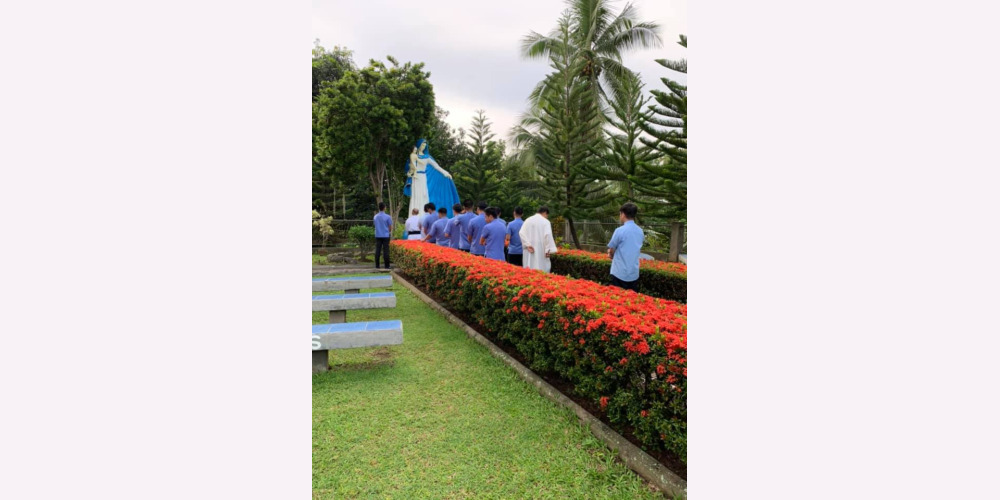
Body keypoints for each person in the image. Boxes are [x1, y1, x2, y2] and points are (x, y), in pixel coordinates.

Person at [403, 139, 461, 217]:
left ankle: (424, 216)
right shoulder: (413, 156)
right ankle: (413, 217)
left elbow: (436, 166)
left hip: (422, 178)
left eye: (425, 145)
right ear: (418, 145)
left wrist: (446, 173)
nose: (423, 147)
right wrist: (410, 173)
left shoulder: (427, 157)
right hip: (415, 178)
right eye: (422, 145)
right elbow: (409, 168)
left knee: (424, 196)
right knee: (415, 196)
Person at [607, 202, 644, 291]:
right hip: (633, 274)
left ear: (623, 214)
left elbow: (611, 249)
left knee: (617, 296)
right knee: (631, 298)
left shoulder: (619, 231)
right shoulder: (640, 231)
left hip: (619, 273)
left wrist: (610, 254)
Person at [519, 206, 558, 272]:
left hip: (530, 250)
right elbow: (548, 236)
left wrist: (527, 244)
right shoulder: (546, 222)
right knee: (542, 269)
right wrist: (548, 250)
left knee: (529, 269)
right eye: (547, 215)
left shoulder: (528, 220)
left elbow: (521, 233)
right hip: (541, 250)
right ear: (545, 213)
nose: (547, 217)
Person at [373, 202, 393, 269]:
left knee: (377, 250)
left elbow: (375, 225)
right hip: (385, 235)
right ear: (384, 208)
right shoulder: (388, 217)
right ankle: (387, 265)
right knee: (386, 250)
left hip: (378, 235)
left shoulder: (375, 216)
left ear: (379, 208)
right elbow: (390, 227)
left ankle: (377, 265)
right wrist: (388, 231)